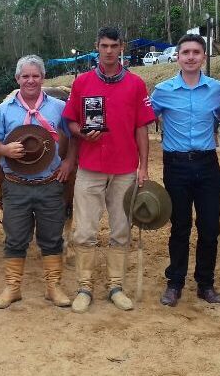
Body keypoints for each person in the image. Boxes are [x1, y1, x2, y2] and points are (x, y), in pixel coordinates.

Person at [61, 26, 156, 314]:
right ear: (97, 47)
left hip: (125, 168)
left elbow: (142, 128)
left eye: (114, 45)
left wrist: (144, 167)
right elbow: (71, 122)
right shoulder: (82, 83)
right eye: (104, 45)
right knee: (85, 230)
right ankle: (84, 287)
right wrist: (81, 133)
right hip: (90, 167)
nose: (110, 51)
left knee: (121, 229)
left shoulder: (137, 84)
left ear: (122, 47)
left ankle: (116, 286)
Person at [0, 55, 77, 309]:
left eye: (35, 76)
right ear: (17, 79)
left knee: (51, 238)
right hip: (16, 184)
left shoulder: (58, 107)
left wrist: (69, 162)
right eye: (25, 76)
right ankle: (13, 288)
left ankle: (53, 287)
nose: (30, 80)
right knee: (14, 238)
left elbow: (74, 135)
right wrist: (4, 150)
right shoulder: (4, 110)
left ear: (43, 78)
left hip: (50, 182)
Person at [149, 34, 220, 307]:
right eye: (185, 52)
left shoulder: (217, 89)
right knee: (179, 226)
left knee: (209, 227)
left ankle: (206, 283)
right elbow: (142, 117)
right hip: (176, 165)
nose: (191, 57)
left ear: (204, 56)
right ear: (177, 57)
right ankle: (175, 282)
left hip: (207, 164)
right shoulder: (162, 90)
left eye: (196, 52)